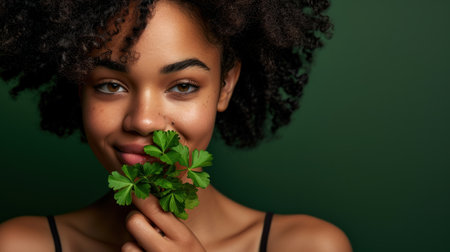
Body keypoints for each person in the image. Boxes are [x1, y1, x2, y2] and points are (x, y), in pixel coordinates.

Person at [0, 0, 352, 251]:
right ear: (80, 87)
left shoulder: (308, 246)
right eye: (111, 85)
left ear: (225, 85)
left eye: (183, 86)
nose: (143, 120)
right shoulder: (21, 245)